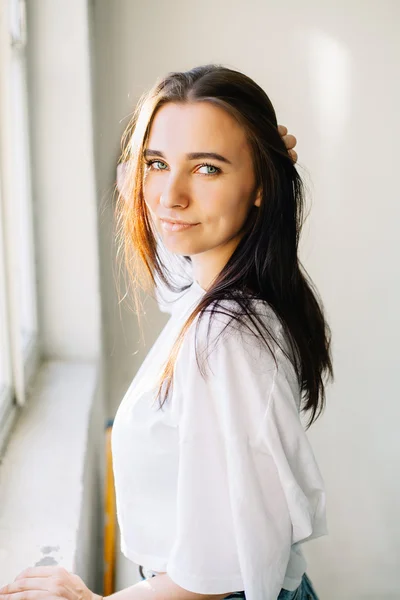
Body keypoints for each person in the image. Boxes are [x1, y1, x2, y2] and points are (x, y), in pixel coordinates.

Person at [0, 64, 333, 600]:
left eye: (207, 169)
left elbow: (216, 577)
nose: (170, 196)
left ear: (260, 188)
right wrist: (177, 163)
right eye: (157, 163)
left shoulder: (226, 338)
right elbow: (164, 233)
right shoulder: (211, 291)